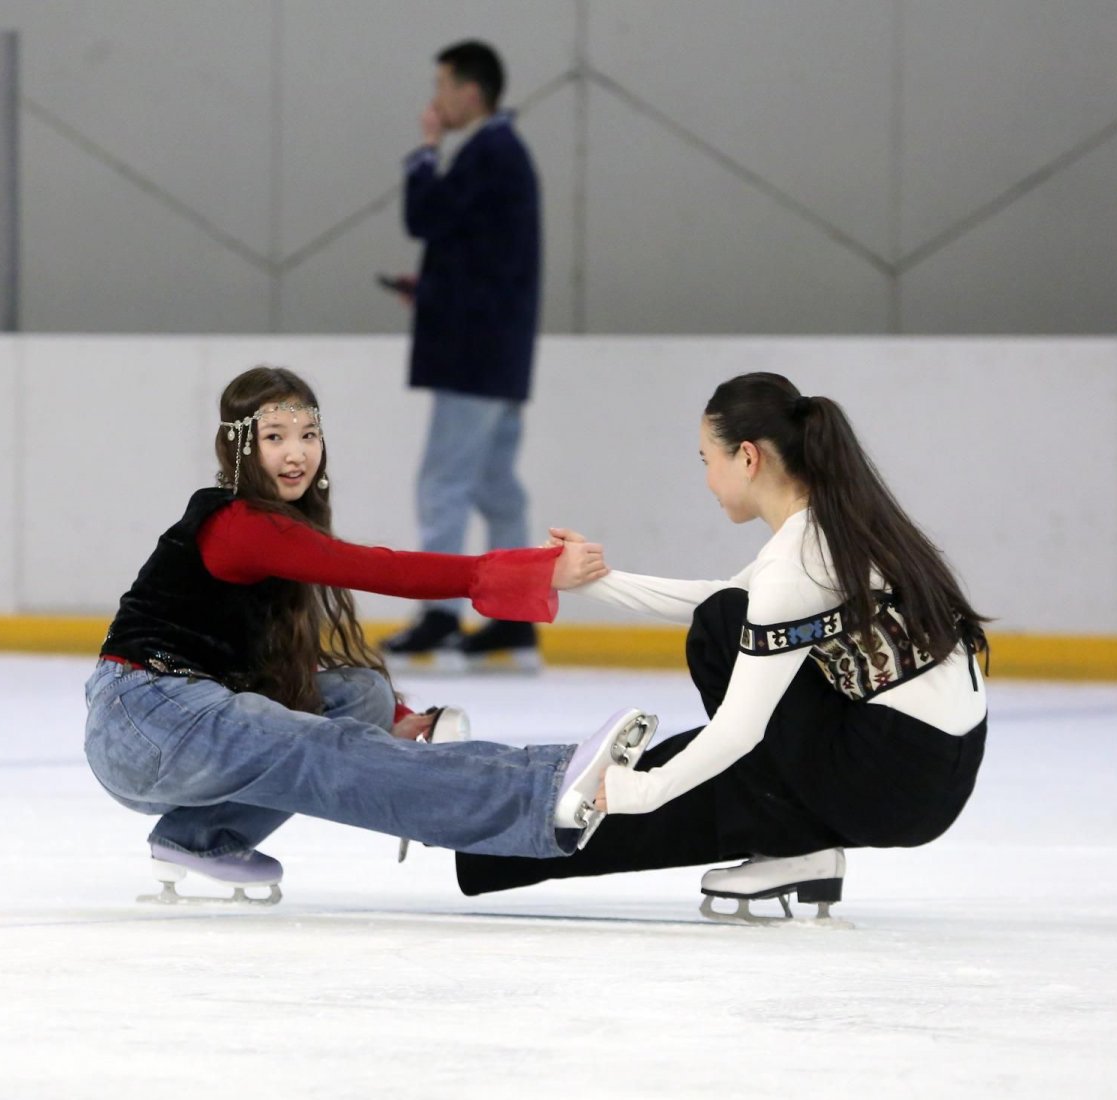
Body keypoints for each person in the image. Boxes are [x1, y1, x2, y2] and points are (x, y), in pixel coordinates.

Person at [83, 366, 656, 903]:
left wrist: (395, 716)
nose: (296, 453)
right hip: (146, 720)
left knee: (363, 695)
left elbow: (269, 660)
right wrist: (535, 570)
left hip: (187, 714)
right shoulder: (238, 526)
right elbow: (380, 569)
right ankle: (542, 791)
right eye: (275, 437)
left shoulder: (270, 527)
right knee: (322, 748)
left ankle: (201, 834)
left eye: (308, 435)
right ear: (240, 447)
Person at [455, 372, 990, 921]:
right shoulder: (839, 521)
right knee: (724, 619)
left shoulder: (797, 560)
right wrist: (592, 580)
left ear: (749, 458)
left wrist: (643, 790)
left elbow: (740, 727)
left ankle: (792, 847)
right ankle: (794, 844)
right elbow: (730, 598)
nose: (708, 479)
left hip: (892, 784)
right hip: (936, 768)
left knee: (720, 632)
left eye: (707, 459)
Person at [381, 40, 543, 671]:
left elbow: (426, 217)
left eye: (443, 85)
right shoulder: (502, 156)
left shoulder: (487, 152)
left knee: (444, 481)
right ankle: (513, 619)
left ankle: (441, 612)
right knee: (496, 487)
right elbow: (483, 253)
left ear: (470, 93)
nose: (436, 99)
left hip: (474, 356)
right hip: (497, 352)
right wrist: (435, 289)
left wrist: (424, 153)